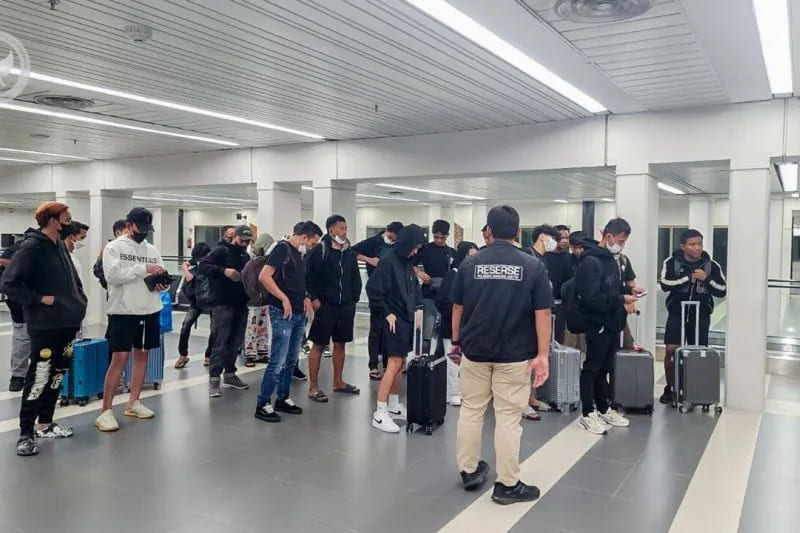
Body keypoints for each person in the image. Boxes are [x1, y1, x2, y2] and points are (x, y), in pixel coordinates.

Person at [451, 205, 552, 504]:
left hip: (475, 351)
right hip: (514, 354)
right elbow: (543, 313)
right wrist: (543, 354)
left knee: (471, 410)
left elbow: (457, 307)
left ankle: (469, 470)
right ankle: (507, 484)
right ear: (518, 232)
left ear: (489, 231)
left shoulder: (470, 264)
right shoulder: (532, 266)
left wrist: (456, 341)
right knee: (508, 418)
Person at [1, 202, 87, 456]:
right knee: (39, 376)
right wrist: (40, 299)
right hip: (45, 325)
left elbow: (73, 281)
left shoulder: (59, 245)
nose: (70, 223)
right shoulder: (32, 247)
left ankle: (45, 423)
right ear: (52, 221)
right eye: (67, 219)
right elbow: (9, 284)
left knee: (58, 373)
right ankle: (26, 433)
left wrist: (79, 302)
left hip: (67, 323)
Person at [95, 208, 167, 432]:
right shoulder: (114, 248)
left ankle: (134, 401)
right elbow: (112, 276)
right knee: (119, 357)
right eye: (140, 228)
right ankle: (105, 410)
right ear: (128, 225)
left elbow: (160, 272)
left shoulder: (151, 249)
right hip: (123, 311)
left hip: (149, 309)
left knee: (143, 354)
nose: (143, 232)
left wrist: (161, 282)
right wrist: (142, 268)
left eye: (147, 229)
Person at [575, 218, 644, 434]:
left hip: (613, 321)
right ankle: (587, 413)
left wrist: (629, 291)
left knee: (605, 367)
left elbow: (611, 287)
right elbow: (591, 297)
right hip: (597, 322)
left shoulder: (613, 261)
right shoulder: (590, 262)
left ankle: (603, 407)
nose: (621, 245)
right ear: (609, 236)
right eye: (620, 241)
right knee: (592, 367)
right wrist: (621, 299)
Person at [254, 221, 322, 423]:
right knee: (278, 360)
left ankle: (283, 398)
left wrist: (306, 297)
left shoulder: (299, 255)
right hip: (282, 313)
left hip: (298, 313)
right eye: (312, 243)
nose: (311, 247)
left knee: (291, 360)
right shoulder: (281, 250)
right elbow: (264, 276)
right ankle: (263, 403)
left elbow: (296, 281)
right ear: (304, 237)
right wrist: (283, 298)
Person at [366, 224, 427, 434]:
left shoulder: (408, 263)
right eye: (414, 247)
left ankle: (393, 404)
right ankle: (380, 412)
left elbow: (415, 290)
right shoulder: (388, 262)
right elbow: (373, 289)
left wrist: (418, 309)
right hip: (394, 320)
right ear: (406, 244)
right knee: (393, 364)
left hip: (407, 319)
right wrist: (387, 313)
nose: (415, 252)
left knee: (401, 363)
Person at [659, 229, 726, 405]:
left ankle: (697, 389)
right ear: (683, 246)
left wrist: (706, 279)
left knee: (699, 353)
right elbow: (665, 284)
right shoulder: (671, 262)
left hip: (700, 316)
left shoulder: (711, 265)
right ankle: (671, 388)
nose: (697, 248)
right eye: (692, 244)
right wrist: (687, 278)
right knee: (671, 350)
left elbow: (722, 290)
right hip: (676, 314)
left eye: (699, 244)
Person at [305, 215, 362, 403]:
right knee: (319, 345)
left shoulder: (349, 252)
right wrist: (313, 298)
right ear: (331, 230)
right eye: (341, 228)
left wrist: (353, 299)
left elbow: (355, 276)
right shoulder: (320, 250)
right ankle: (313, 387)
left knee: (340, 343)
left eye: (346, 228)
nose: (345, 232)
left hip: (346, 306)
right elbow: (308, 275)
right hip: (326, 305)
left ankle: (338, 382)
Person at [201, 225, 253, 398]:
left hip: (241, 304)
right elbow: (203, 266)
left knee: (235, 342)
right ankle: (214, 379)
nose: (244, 244)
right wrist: (224, 271)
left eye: (247, 241)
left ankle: (230, 375)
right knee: (220, 342)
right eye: (242, 240)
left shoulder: (245, 256)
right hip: (223, 304)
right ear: (235, 237)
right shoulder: (221, 251)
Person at [353, 221, 403, 380]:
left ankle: (388, 363)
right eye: (393, 236)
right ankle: (373, 365)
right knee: (376, 329)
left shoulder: (398, 246)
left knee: (391, 328)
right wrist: (369, 260)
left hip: (394, 292)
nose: (394, 239)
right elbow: (353, 251)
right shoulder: (373, 242)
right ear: (388, 231)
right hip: (377, 289)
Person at [435, 241, 479, 406]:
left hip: (468, 327)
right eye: (471, 256)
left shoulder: (473, 276)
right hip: (451, 328)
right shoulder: (453, 274)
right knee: (453, 362)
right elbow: (442, 301)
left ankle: (461, 391)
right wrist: (456, 315)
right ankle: (452, 392)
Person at [414, 219, 456, 352]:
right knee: (428, 326)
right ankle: (425, 355)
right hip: (428, 292)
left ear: (447, 235)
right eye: (436, 237)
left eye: (441, 238)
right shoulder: (425, 249)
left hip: (445, 295)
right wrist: (419, 272)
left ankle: (440, 355)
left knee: (443, 328)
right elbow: (409, 264)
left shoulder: (451, 252)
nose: (438, 240)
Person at [174, 242, 214, 369]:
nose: (199, 261)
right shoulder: (195, 260)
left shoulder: (213, 260)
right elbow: (185, 264)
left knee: (214, 328)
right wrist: (187, 272)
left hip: (212, 299)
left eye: (201, 258)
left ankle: (209, 355)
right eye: (197, 259)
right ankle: (183, 355)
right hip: (196, 301)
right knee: (185, 325)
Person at [1, 233, 32, 392]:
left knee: (30, 338)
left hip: (33, 300)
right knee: (22, 337)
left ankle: (26, 375)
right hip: (19, 302)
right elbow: (3, 260)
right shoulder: (22, 247)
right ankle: (18, 376)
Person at [243, 233, 275, 368]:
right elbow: (249, 284)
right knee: (252, 328)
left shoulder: (263, 263)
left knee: (263, 328)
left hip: (264, 302)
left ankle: (262, 352)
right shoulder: (252, 264)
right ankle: (250, 354)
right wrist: (257, 297)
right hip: (254, 303)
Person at [93, 219, 126, 291]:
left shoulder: (131, 247)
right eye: (126, 232)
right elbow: (97, 271)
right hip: (115, 290)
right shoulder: (109, 248)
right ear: (118, 233)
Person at [61, 221, 89, 286]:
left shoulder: (73, 256)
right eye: (82, 237)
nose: (83, 241)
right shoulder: (63, 258)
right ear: (71, 237)